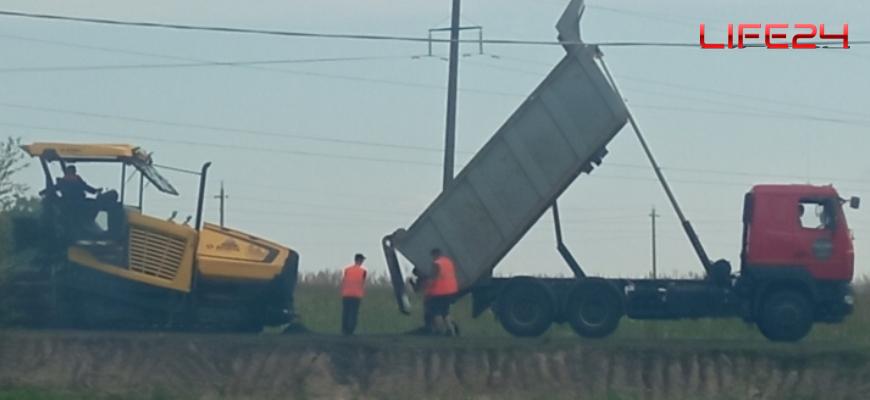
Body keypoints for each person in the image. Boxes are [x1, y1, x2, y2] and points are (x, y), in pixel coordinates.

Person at [422, 248, 459, 336]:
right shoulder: (448, 262)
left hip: (438, 292)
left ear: (434, 255)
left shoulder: (436, 264)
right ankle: (451, 330)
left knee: (436, 312)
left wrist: (426, 291)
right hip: (450, 291)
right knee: (445, 312)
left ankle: (439, 331)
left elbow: (432, 279)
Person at [340, 253, 367, 335]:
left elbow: (344, 279)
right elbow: (363, 281)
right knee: (354, 313)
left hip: (346, 294)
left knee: (346, 312)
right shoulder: (363, 271)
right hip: (356, 295)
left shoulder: (347, 270)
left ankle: (344, 330)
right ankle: (351, 330)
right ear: (360, 260)